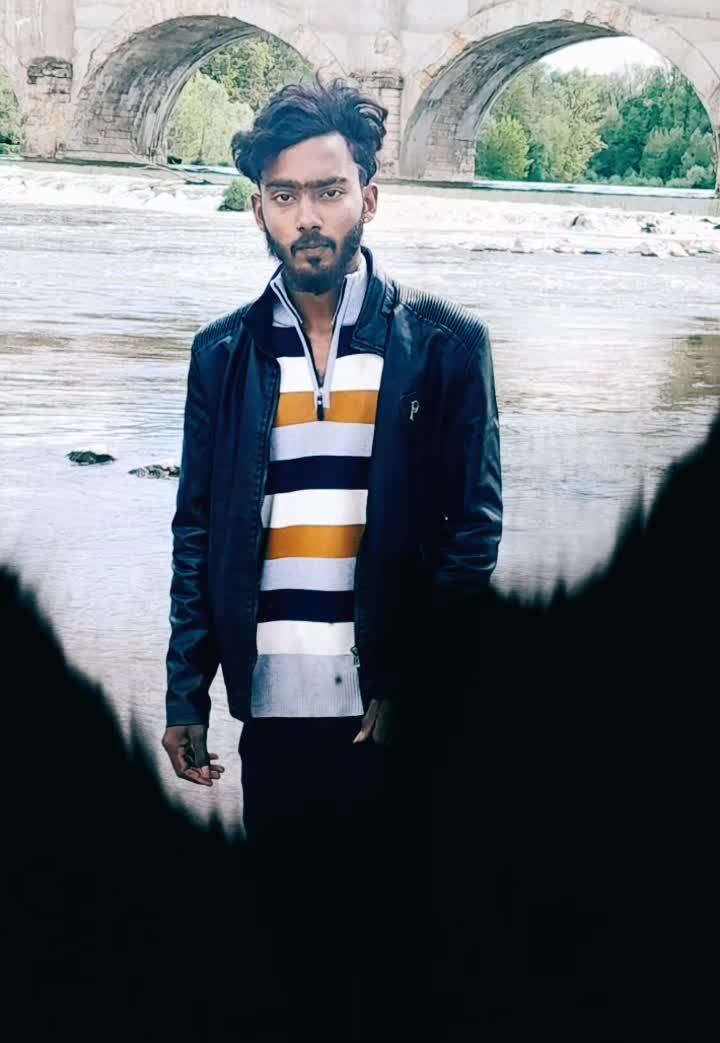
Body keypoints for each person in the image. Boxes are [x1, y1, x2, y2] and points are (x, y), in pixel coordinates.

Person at [162, 76, 503, 846]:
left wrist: (415, 679)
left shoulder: (446, 346)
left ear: (368, 200)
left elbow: (473, 535)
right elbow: (197, 532)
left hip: (385, 713)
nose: (307, 217)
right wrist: (187, 693)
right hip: (270, 712)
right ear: (258, 210)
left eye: (328, 191)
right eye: (284, 196)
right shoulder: (221, 354)